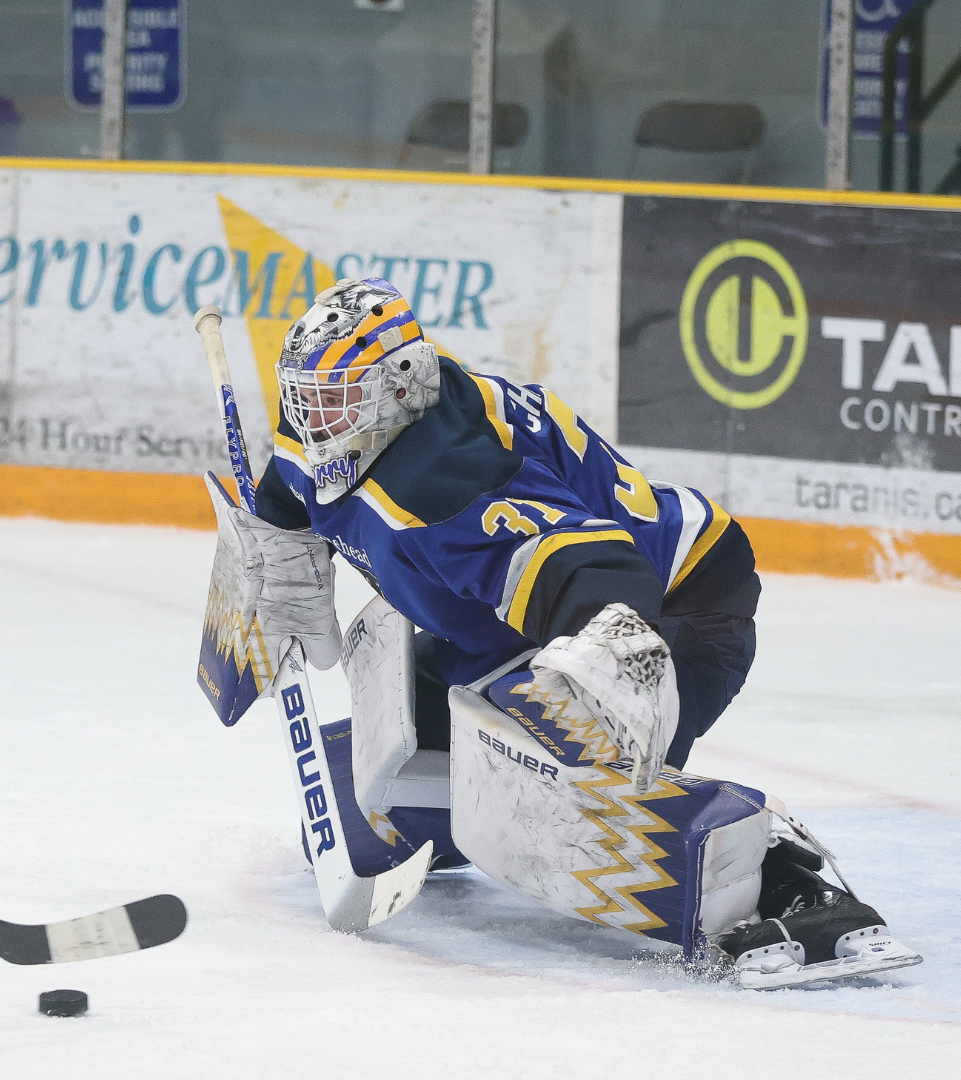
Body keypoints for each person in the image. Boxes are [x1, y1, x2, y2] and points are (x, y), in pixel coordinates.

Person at [221, 276, 921, 989]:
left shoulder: (443, 484)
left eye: (335, 398)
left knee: (578, 789)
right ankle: (474, 805)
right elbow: (291, 479)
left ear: (399, 386)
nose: (314, 419)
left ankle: (779, 876)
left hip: (674, 605)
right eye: (307, 396)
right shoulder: (345, 429)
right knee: (388, 795)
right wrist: (276, 551)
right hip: (511, 620)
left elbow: (599, 570)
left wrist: (599, 691)